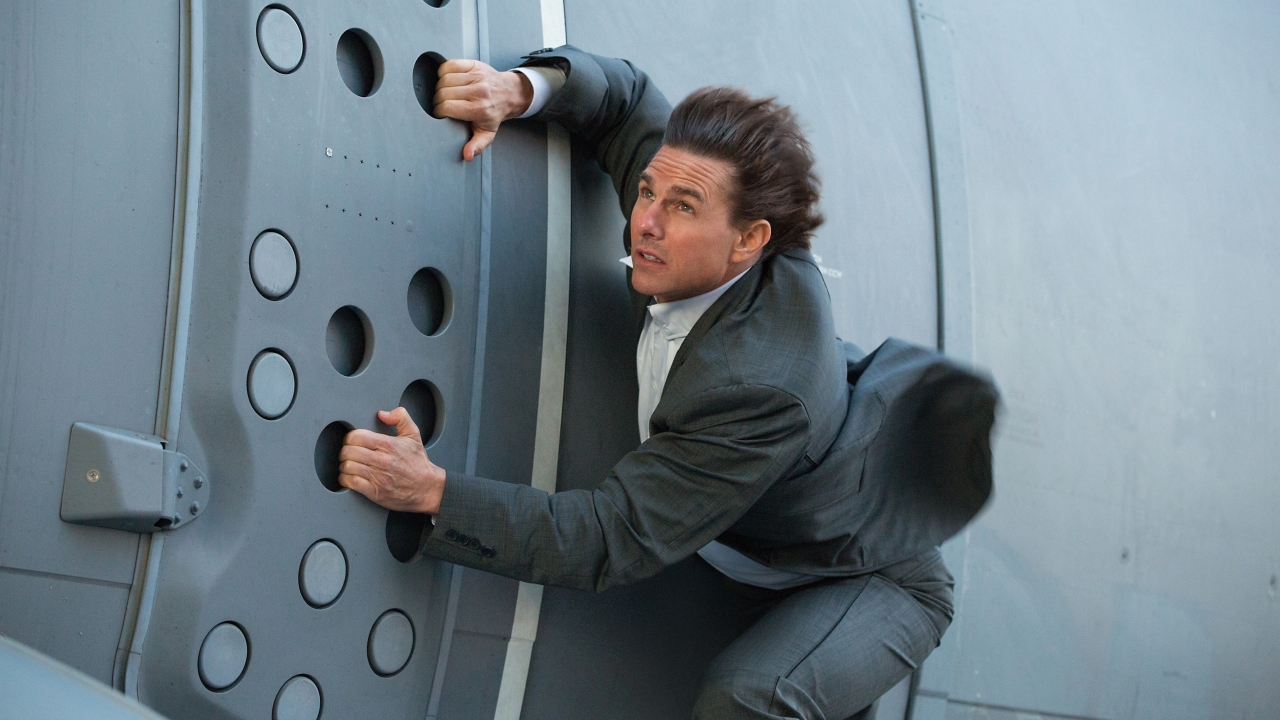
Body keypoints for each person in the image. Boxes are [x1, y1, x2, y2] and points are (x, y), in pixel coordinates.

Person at [338, 46, 997, 720]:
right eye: (648, 191)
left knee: (747, 698)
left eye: (681, 207)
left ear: (749, 241)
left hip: (874, 570)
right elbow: (626, 100)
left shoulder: (758, 387)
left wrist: (432, 492)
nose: (645, 222)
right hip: (791, 499)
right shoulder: (688, 201)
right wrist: (516, 91)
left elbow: (610, 537)